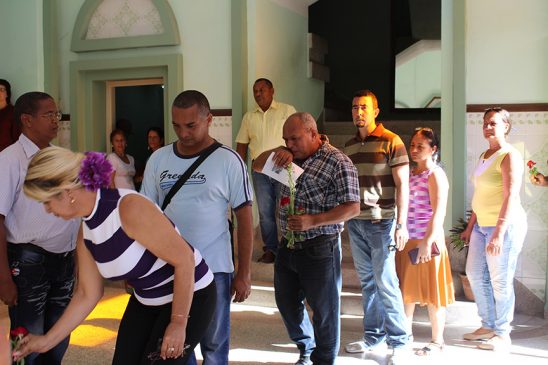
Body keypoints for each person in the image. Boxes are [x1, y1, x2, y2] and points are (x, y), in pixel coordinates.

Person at [13, 147, 216, 364]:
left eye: (46, 201)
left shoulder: (128, 208)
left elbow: (184, 259)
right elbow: (86, 294)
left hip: (192, 295)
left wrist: (177, 323)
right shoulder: (86, 231)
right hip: (146, 299)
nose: (47, 210)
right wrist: (45, 342)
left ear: (67, 192)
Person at [141, 90, 253, 365]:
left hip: (214, 270)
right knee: (176, 345)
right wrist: (139, 266)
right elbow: (145, 215)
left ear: (209, 119)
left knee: (215, 346)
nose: (183, 133)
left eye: (190, 125)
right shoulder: (158, 160)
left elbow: (245, 217)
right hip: (167, 269)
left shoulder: (228, 160)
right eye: (176, 125)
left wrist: (244, 272)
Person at [252, 112, 360, 365]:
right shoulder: (287, 158)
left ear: (313, 134)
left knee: (324, 313)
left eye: (294, 138)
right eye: (285, 139)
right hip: (287, 247)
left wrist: (314, 220)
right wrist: (280, 150)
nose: (290, 143)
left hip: (320, 249)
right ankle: (306, 346)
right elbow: (257, 164)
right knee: (287, 305)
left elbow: (353, 207)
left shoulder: (338, 163)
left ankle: (324, 360)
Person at [0, 91, 80, 365]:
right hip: (27, 261)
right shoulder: (10, 159)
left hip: (64, 260)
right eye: (48, 115)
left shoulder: (59, 157)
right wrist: (3, 277)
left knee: (58, 337)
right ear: (26, 119)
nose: (56, 121)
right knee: (26, 340)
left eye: (56, 114)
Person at [343, 90, 410, 364]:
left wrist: (401, 224)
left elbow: (404, 185)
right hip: (356, 222)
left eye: (364, 108)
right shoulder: (348, 146)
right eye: (355, 107)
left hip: (383, 222)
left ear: (375, 111)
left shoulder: (392, 141)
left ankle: (400, 341)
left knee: (386, 281)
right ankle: (373, 338)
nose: (359, 112)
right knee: (368, 282)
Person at [460, 107, 527, 351]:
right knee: (475, 274)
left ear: (505, 126)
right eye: (485, 122)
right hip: (480, 226)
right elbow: (481, 194)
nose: (488, 127)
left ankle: (502, 333)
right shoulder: (485, 155)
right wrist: (470, 227)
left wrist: (499, 232)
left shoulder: (510, 155)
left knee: (500, 281)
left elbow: (510, 195)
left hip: (505, 227)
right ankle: (487, 325)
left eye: (493, 123)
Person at [395, 128, 455, 356]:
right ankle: (405, 337)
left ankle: (437, 340)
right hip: (409, 239)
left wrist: (427, 241)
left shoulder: (436, 174)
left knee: (433, 293)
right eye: (412, 145)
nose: (414, 150)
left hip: (428, 240)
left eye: (421, 146)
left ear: (433, 149)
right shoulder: (409, 173)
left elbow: (439, 213)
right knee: (406, 292)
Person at [236, 78, 297, 263]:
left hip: (283, 166)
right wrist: (240, 174)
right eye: (255, 91)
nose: (258, 94)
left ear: (272, 90)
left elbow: (296, 137)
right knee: (265, 212)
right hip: (259, 170)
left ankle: (290, 248)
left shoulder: (287, 111)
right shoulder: (249, 117)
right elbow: (241, 146)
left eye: (262, 90)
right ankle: (271, 250)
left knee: (287, 208)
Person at [0, 79, 21, 151]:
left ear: (7, 94)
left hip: (6, 154)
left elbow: (17, 138)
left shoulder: (13, 112)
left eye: (1, 90)